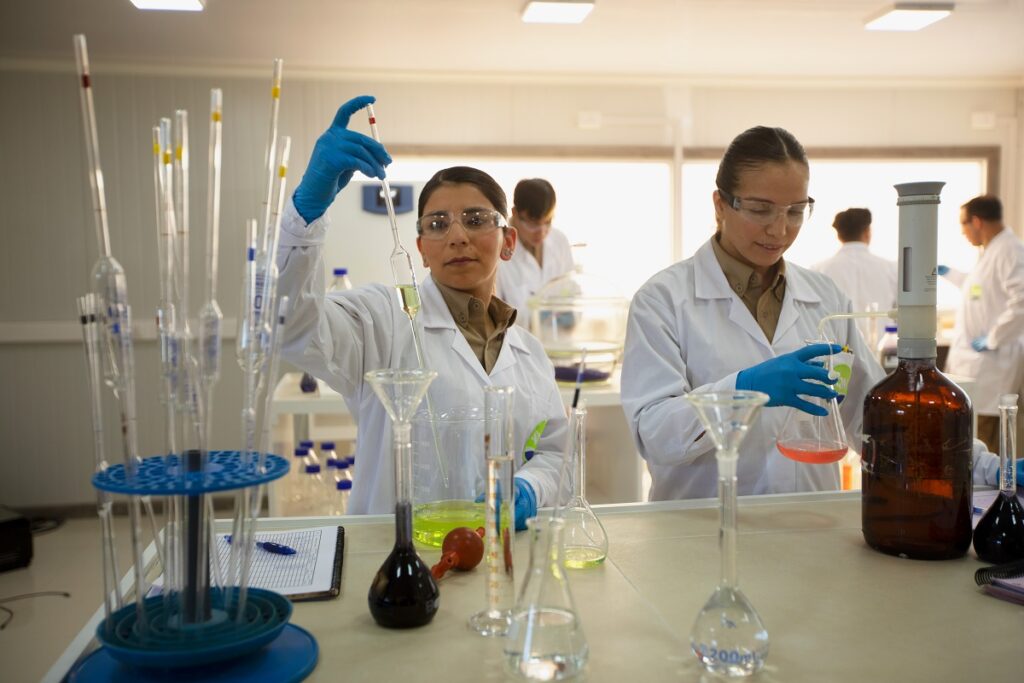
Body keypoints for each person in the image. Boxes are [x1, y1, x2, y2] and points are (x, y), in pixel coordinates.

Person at [621, 125, 999, 501]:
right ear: (720, 204)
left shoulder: (825, 298)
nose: (779, 230)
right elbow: (654, 434)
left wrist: (981, 464)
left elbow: (873, 419)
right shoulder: (662, 300)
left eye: (796, 211)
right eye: (760, 210)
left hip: (811, 519)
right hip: (699, 524)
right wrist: (742, 390)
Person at [276, 95, 568, 528]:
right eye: (437, 224)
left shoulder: (530, 354)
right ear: (421, 251)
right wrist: (306, 211)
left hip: (499, 552)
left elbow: (554, 453)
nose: (456, 236)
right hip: (392, 556)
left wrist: (530, 486)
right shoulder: (381, 320)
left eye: (475, 219)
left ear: (507, 242)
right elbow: (293, 327)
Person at [940, 195, 1024, 453]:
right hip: (979, 364)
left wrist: (994, 337)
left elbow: (1021, 300)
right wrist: (952, 275)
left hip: (993, 364)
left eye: (963, 225)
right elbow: (981, 290)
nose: (962, 232)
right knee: (976, 434)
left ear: (976, 221)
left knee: (985, 440)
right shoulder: (992, 251)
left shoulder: (1009, 250)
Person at [811, 207, 897, 349]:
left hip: (836, 354)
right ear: (867, 232)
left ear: (839, 235)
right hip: (882, 352)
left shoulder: (818, 270)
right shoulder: (891, 269)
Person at [495, 178, 575, 327]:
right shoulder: (497, 249)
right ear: (515, 213)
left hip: (558, 337)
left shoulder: (559, 241)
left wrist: (572, 312)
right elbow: (495, 315)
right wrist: (537, 318)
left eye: (547, 222)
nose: (541, 232)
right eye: (533, 224)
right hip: (518, 339)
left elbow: (572, 291)